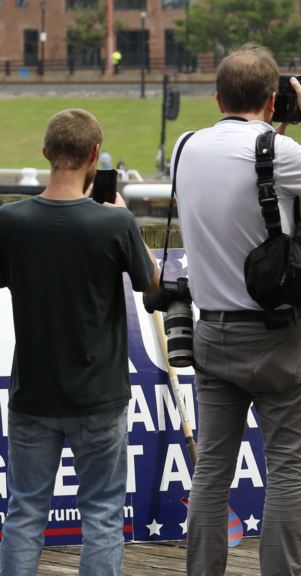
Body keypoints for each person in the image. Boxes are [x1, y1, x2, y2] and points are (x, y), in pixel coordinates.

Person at [171, 43, 301, 575]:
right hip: (276, 336)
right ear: (275, 99)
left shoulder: (186, 146)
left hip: (212, 331)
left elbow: (239, 176)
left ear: (216, 98)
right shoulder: (273, 151)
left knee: (211, 472)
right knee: (288, 472)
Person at [0, 109, 159, 575]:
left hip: (33, 392)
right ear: (95, 156)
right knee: (103, 518)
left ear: (47, 152)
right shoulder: (113, 224)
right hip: (99, 396)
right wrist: (126, 217)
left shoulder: (10, 221)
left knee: (25, 515)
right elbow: (150, 282)